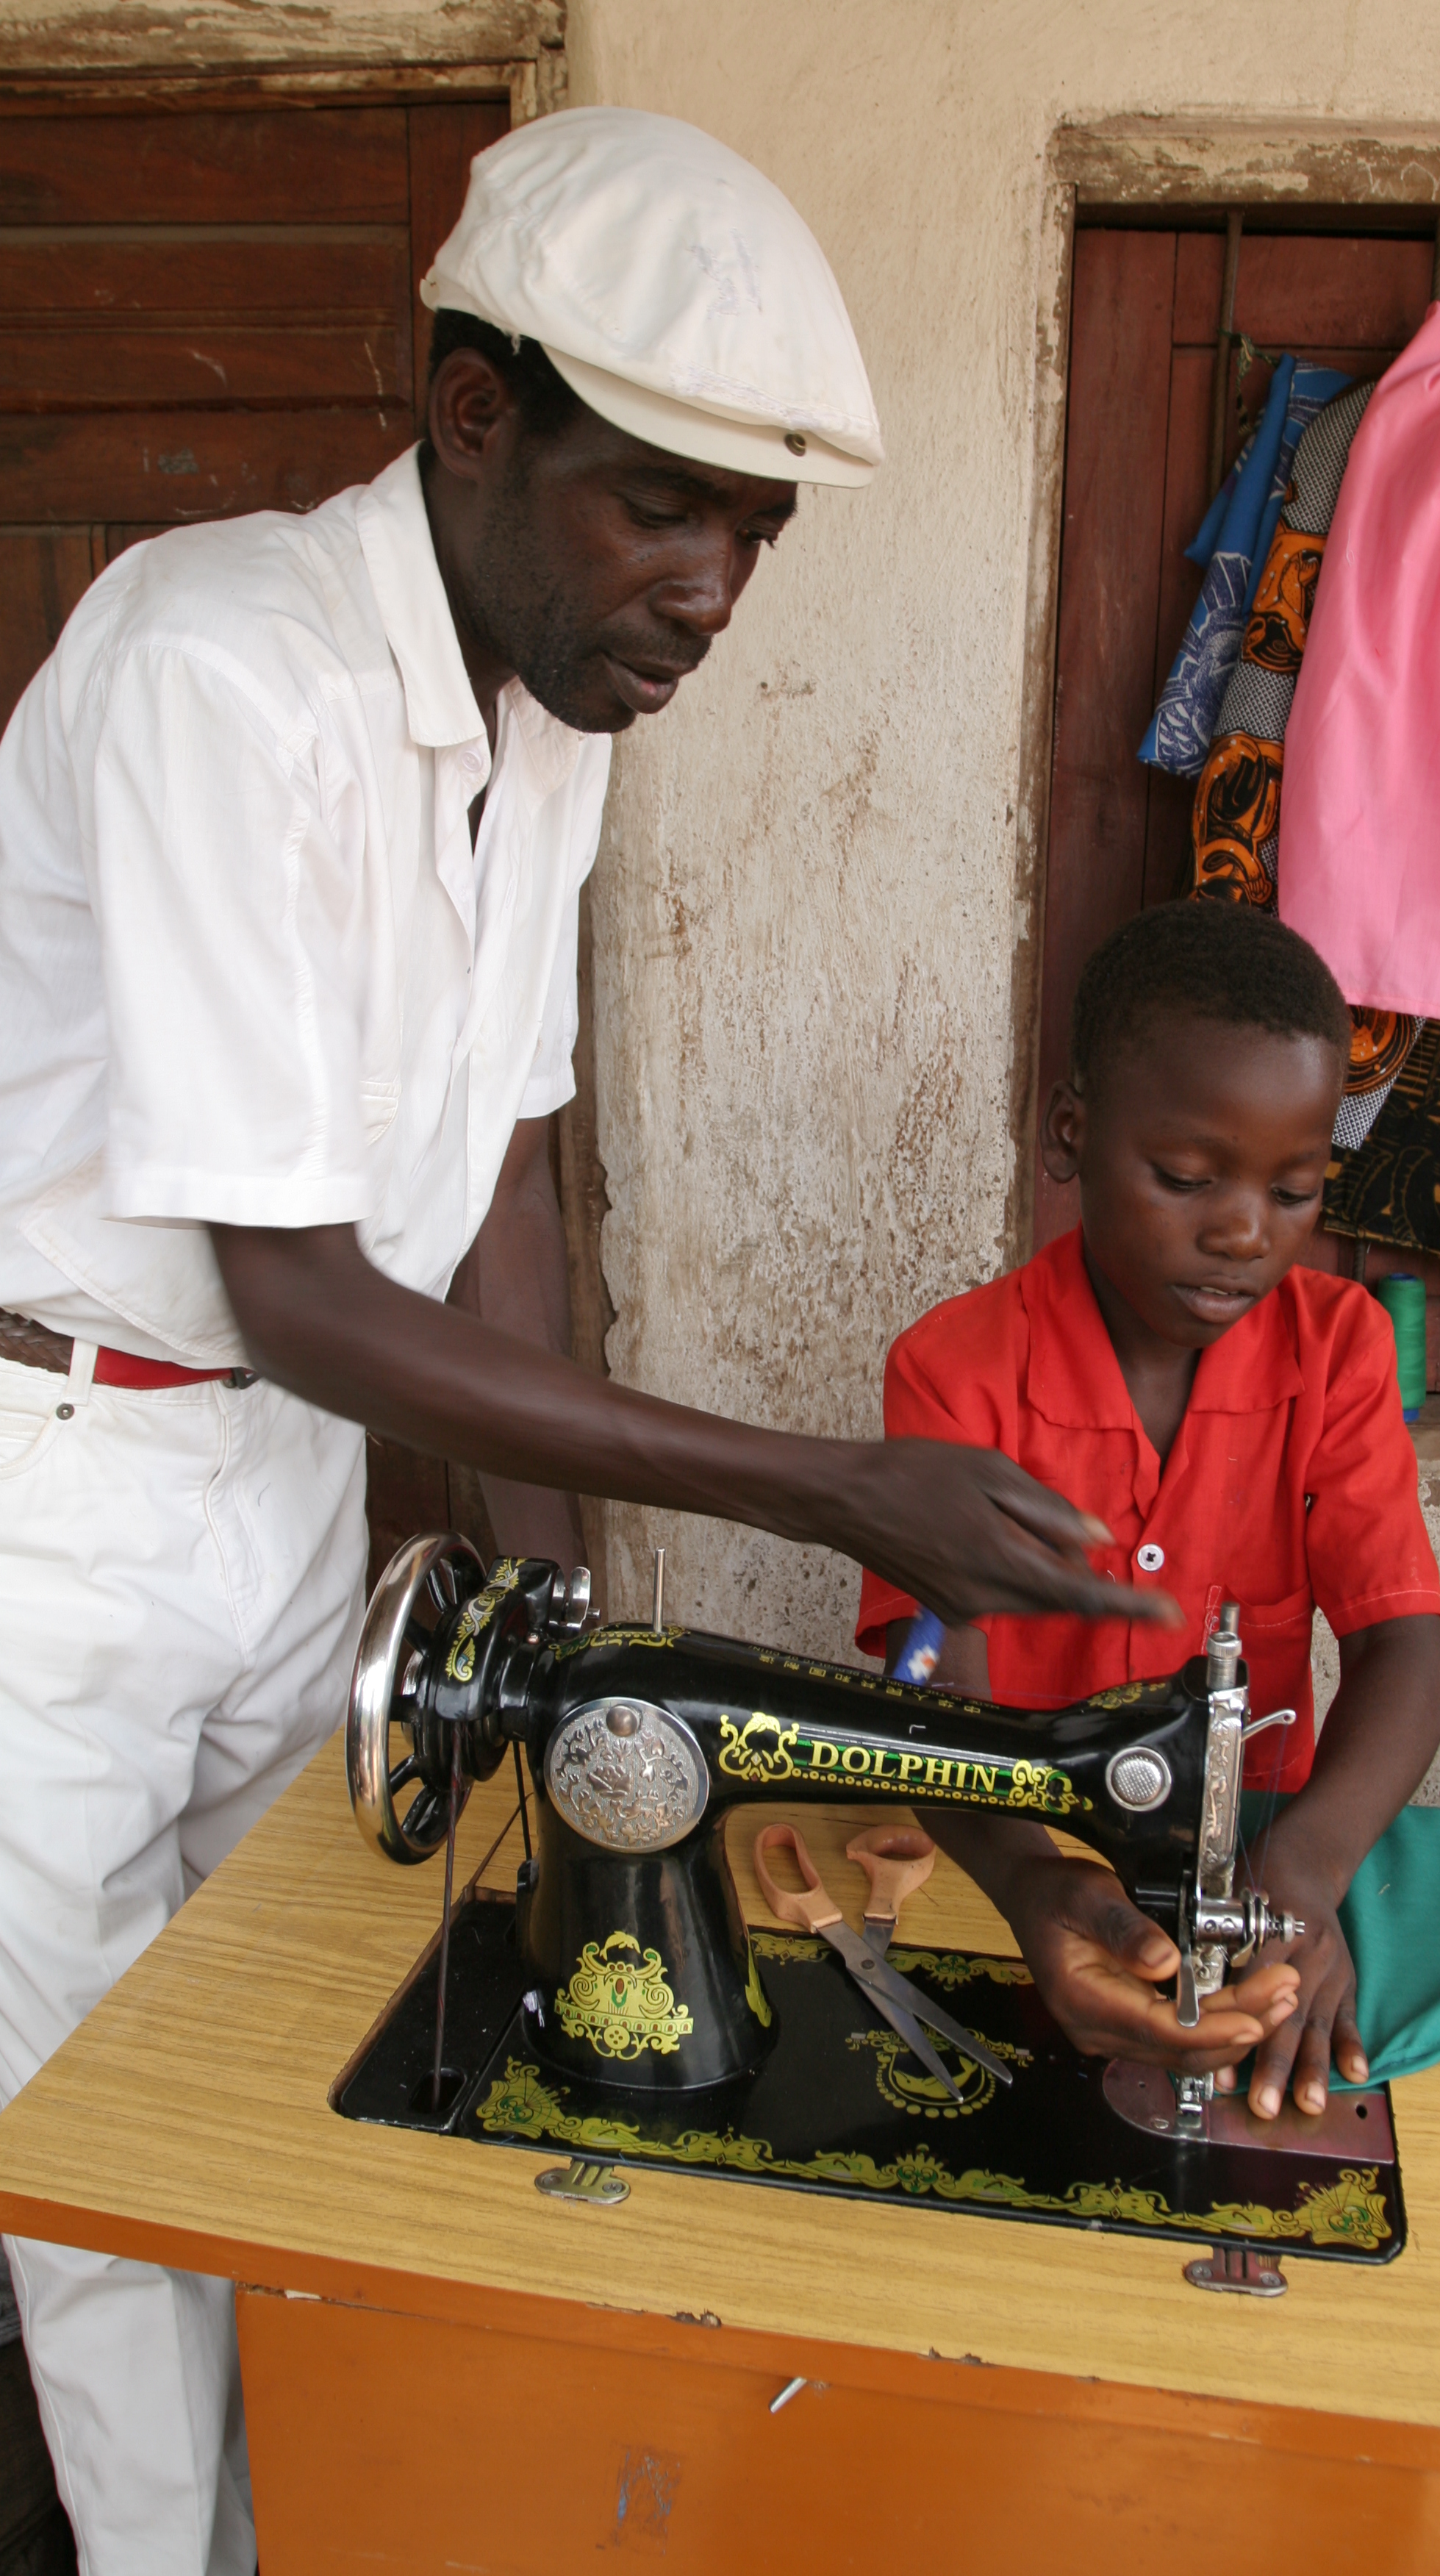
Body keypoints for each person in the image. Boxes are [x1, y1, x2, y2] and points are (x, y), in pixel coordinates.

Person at [0, 110, 1170, 2576]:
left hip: (284, 1498)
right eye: (662, 505)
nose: (715, 585)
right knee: (103, 2161)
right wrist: (819, 1487)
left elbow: (505, 1184)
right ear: (468, 418)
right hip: (58, 1511)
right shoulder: (226, 671)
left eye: (752, 532)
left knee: (341, 2056)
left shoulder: (546, 724)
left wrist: (566, 1626)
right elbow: (300, 1284)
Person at [858, 901, 1440, 2120]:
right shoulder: (955, 1373)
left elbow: (1402, 1646)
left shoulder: (1337, 1353)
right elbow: (930, 1681)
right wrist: (1028, 1886)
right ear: (1072, 1134)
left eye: (1295, 1191)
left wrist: (1304, 1880)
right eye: (1187, 1178)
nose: (1241, 1231)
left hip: (1263, 1857)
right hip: (998, 1859)